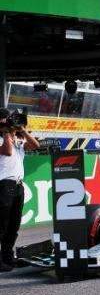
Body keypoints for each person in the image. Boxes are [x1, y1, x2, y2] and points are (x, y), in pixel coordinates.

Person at [0, 108, 39, 271]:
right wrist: (6, 132)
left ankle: (8, 258)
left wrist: (22, 129)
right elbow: (7, 152)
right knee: (1, 225)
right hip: (3, 185)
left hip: (18, 185)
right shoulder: (4, 138)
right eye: (8, 119)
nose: (11, 121)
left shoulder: (18, 138)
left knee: (13, 226)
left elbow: (35, 145)